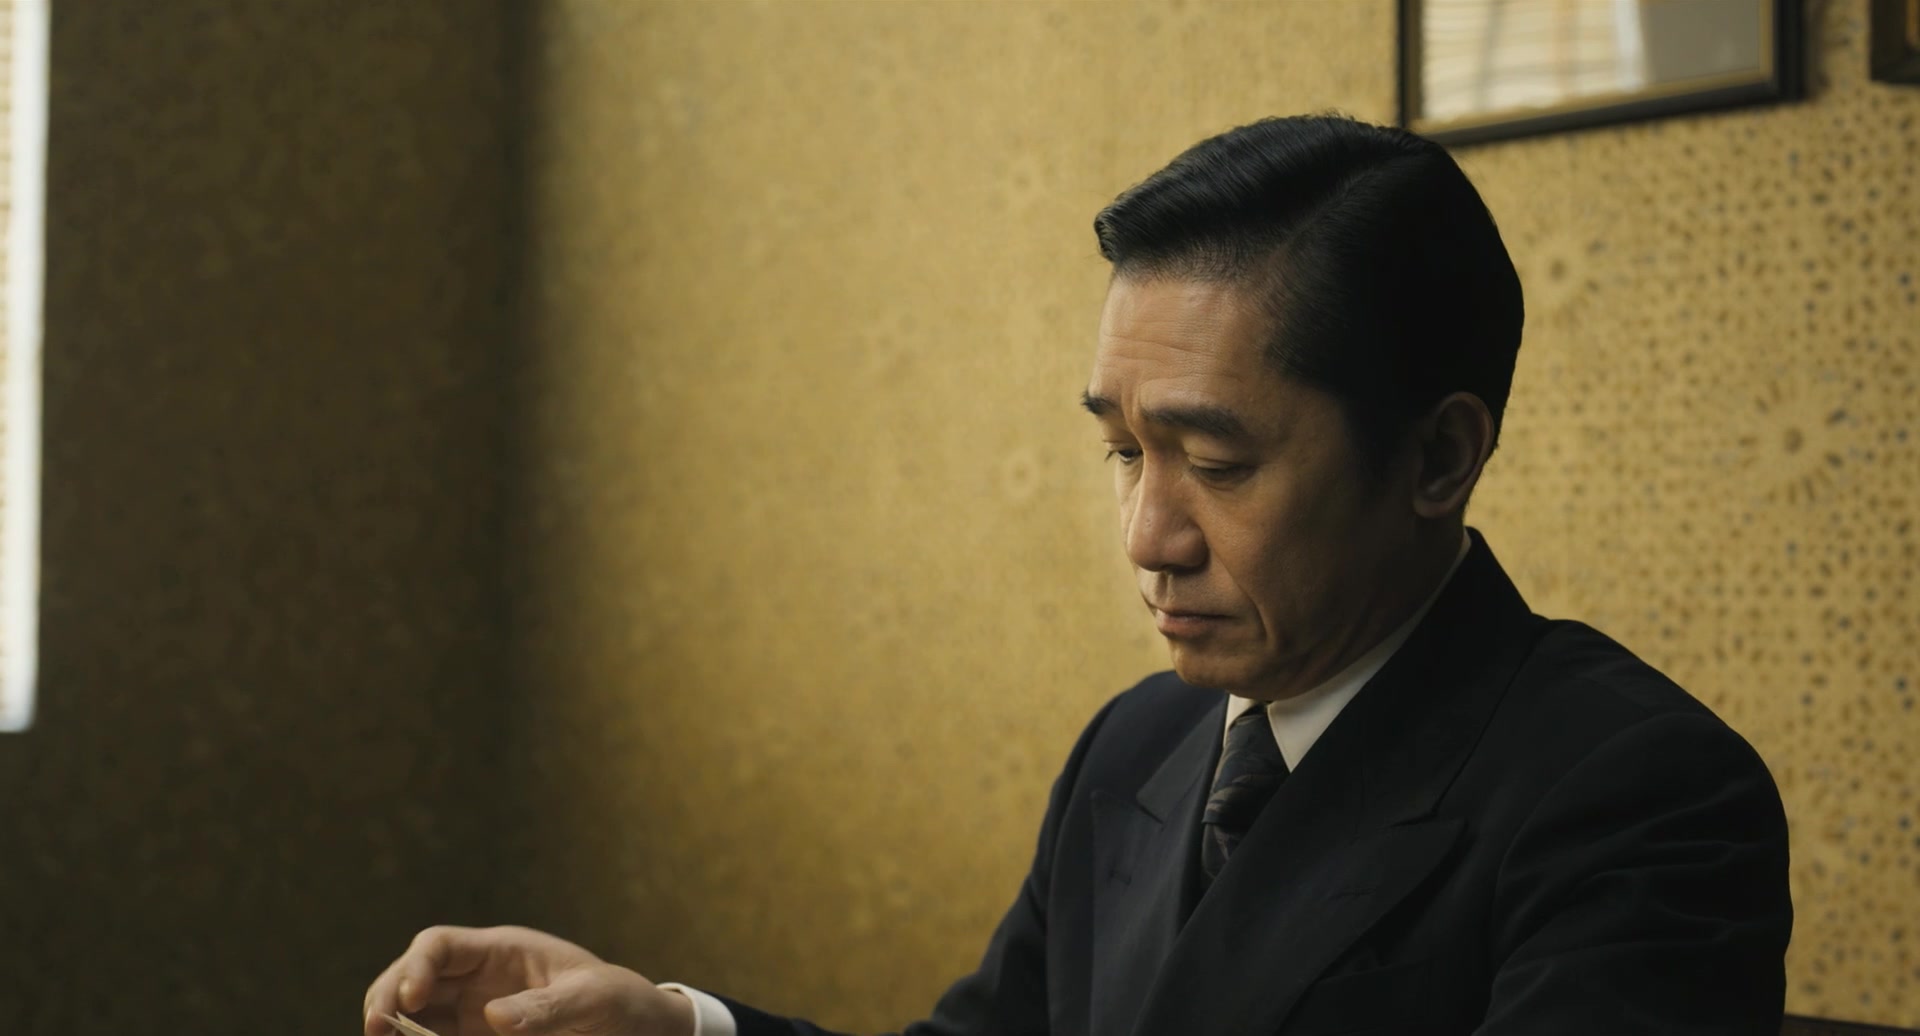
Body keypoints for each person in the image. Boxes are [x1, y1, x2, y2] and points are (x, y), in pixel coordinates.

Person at [362, 114, 1792, 1036]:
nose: (1150, 536)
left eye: (1216, 463)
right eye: (1124, 451)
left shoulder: (1637, 796)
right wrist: (674, 1027)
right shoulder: (1141, 747)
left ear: (1438, 455)